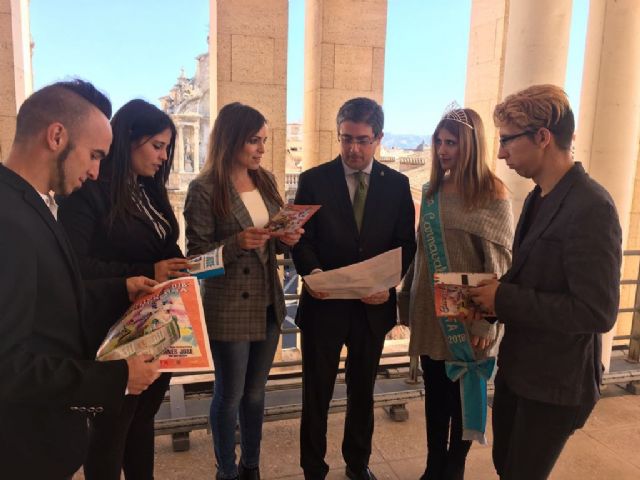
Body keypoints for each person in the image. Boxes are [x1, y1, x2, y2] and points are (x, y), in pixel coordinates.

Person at [0, 79, 160, 480]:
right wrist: (117, 377)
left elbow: (48, 301)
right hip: (23, 452)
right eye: (94, 155)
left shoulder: (30, 202)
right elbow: (6, 365)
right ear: (56, 136)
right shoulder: (9, 220)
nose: (96, 172)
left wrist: (120, 287)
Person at [470, 84, 622, 480]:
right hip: (518, 370)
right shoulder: (539, 196)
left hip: (556, 384)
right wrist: (489, 303)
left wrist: (504, 298)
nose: (501, 153)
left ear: (542, 137)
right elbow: (534, 278)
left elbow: (597, 311)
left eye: (506, 140)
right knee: (507, 467)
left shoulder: (593, 206)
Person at [58, 99, 190, 480]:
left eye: (168, 148)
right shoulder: (89, 190)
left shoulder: (150, 190)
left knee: (143, 417)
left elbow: (165, 244)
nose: (164, 158)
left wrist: (187, 265)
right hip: (112, 328)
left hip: (154, 325)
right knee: (111, 428)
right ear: (129, 138)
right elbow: (76, 265)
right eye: (157, 146)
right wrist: (146, 270)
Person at [292, 97, 416, 480]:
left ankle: (357, 465)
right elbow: (301, 239)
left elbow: (405, 244)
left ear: (378, 137)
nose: (354, 149)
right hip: (324, 306)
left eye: (363, 140)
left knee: (362, 394)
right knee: (316, 395)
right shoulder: (314, 179)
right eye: (346, 139)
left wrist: (388, 283)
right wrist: (312, 273)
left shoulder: (397, 185)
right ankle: (313, 468)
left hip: (371, 307)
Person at [184, 102, 302, 480]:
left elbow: (274, 244)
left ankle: (251, 464)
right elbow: (195, 260)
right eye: (254, 141)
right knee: (229, 395)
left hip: (268, 301)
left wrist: (287, 238)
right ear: (231, 139)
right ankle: (226, 469)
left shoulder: (264, 180)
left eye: (264, 141)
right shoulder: (204, 189)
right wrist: (237, 243)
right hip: (229, 306)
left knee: (255, 394)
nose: (261, 150)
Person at [399, 106, 513, 480]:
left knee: (464, 398)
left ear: (472, 145)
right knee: (435, 395)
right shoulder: (431, 191)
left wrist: (487, 327)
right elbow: (420, 254)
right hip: (432, 313)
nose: (443, 150)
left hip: (470, 316)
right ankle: (434, 466)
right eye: (439, 142)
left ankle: (455, 468)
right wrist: (405, 302)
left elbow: (499, 268)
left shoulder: (492, 195)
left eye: (452, 143)